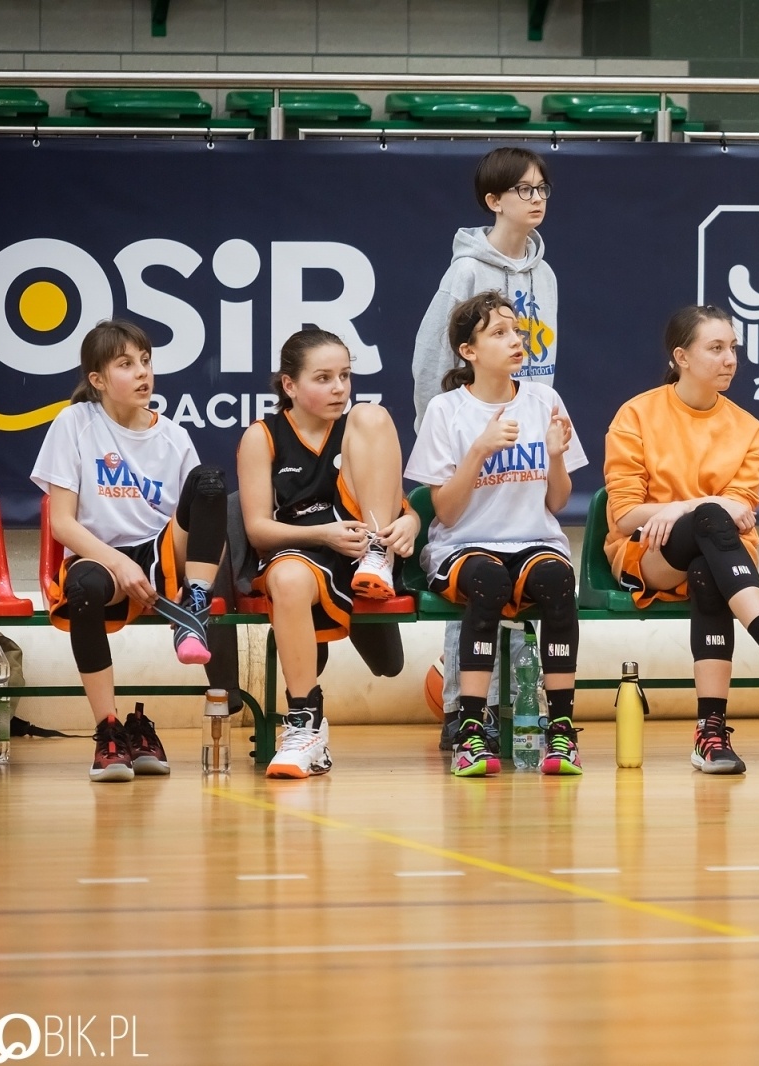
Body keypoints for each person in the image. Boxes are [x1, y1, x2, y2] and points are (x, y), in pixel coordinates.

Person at [604, 305, 759, 775]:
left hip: (719, 560)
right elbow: (626, 516)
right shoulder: (636, 414)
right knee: (708, 516)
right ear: (681, 357)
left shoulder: (747, 427)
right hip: (649, 553)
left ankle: (710, 732)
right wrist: (690, 507)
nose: (730, 358)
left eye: (733, 347)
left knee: (706, 567)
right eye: (716, 348)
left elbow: (739, 516)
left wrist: (685, 507)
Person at [411, 146, 560, 751]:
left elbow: (543, 360)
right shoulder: (466, 273)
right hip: (468, 437)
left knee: (529, 569)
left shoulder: (546, 275)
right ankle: (461, 709)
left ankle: (517, 707)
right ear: (493, 201)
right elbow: (432, 358)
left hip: (524, 438)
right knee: (476, 565)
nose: (536, 198)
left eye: (542, 187)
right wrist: (449, 432)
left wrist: (540, 427)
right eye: (523, 189)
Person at [32, 319, 226, 783]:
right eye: (125, 364)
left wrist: (177, 575)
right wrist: (117, 563)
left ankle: (194, 606)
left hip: (162, 556)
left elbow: (197, 520)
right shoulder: (74, 423)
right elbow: (62, 522)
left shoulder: (174, 436)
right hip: (101, 556)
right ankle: (110, 730)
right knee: (82, 587)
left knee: (210, 482)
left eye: (145, 361)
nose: (143, 372)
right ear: (97, 379)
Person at [408, 292, 586, 778]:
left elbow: (557, 502)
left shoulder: (545, 401)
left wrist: (554, 457)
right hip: (464, 544)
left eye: (517, 332)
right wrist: (479, 451)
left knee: (557, 581)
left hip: (534, 541)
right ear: (468, 351)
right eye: (499, 333)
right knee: (488, 581)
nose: (515, 341)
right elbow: (445, 510)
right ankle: (470, 730)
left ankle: (562, 730)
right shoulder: (447, 410)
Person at [238, 328, 417, 779]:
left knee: (373, 414)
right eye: (323, 378)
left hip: (360, 551)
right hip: (300, 548)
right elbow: (258, 530)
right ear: (290, 385)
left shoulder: (361, 426)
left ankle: (378, 554)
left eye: (345, 375)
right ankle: (305, 724)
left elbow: (400, 504)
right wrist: (323, 534)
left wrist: (409, 523)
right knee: (287, 579)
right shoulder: (263, 436)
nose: (339, 388)